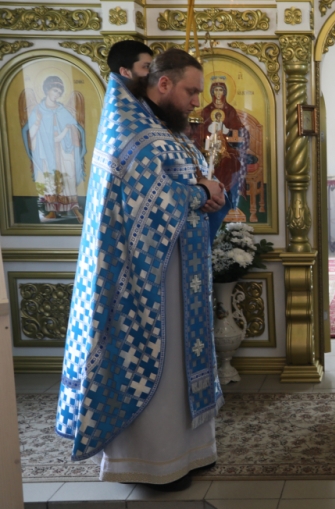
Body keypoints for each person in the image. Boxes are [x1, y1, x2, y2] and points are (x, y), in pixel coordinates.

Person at [56, 49, 233, 491]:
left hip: (179, 271)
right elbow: (145, 202)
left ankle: (191, 451)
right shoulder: (130, 129)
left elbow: (190, 182)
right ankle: (154, 463)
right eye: (192, 91)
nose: (198, 101)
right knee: (154, 359)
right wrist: (199, 191)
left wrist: (211, 192)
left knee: (180, 363)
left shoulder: (164, 131)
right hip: (140, 278)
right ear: (165, 84)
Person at [22, 75, 87, 223]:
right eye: (55, 90)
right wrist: (38, 122)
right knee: (50, 180)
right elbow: (30, 133)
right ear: (47, 90)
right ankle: (52, 211)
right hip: (46, 152)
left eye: (59, 92)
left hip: (63, 151)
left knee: (67, 178)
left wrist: (65, 132)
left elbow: (75, 128)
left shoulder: (62, 110)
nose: (57, 94)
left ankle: (74, 210)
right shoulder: (38, 110)